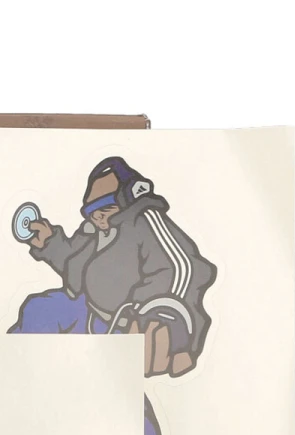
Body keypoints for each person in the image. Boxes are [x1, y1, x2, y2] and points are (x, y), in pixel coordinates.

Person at [12, 156, 216, 377]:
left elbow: (183, 267)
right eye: (92, 211)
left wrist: (165, 314)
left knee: (103, 374)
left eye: (105, 208)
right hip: (87, 311)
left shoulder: (144, 223)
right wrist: (50, 243)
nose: (98, 218)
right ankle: (12, 369)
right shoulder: (93, 231)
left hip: (125, 324)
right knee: (39, 309)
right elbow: (76, 265)